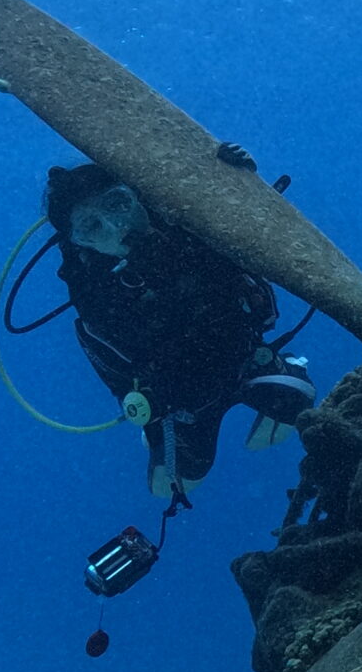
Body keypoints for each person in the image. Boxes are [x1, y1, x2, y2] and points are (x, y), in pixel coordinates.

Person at [43, 162, 315, 502]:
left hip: (245, 359)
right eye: (92, 227)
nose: (116, 226)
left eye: (117, 203)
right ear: (81, 244)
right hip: (185, 402)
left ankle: (282, 369)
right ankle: (164, 437)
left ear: (137, 194)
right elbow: (125, 372)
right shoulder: (96, 294)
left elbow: (255, 253)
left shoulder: (190, 219)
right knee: (178, 481)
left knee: (298, 403)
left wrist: (235, 175)